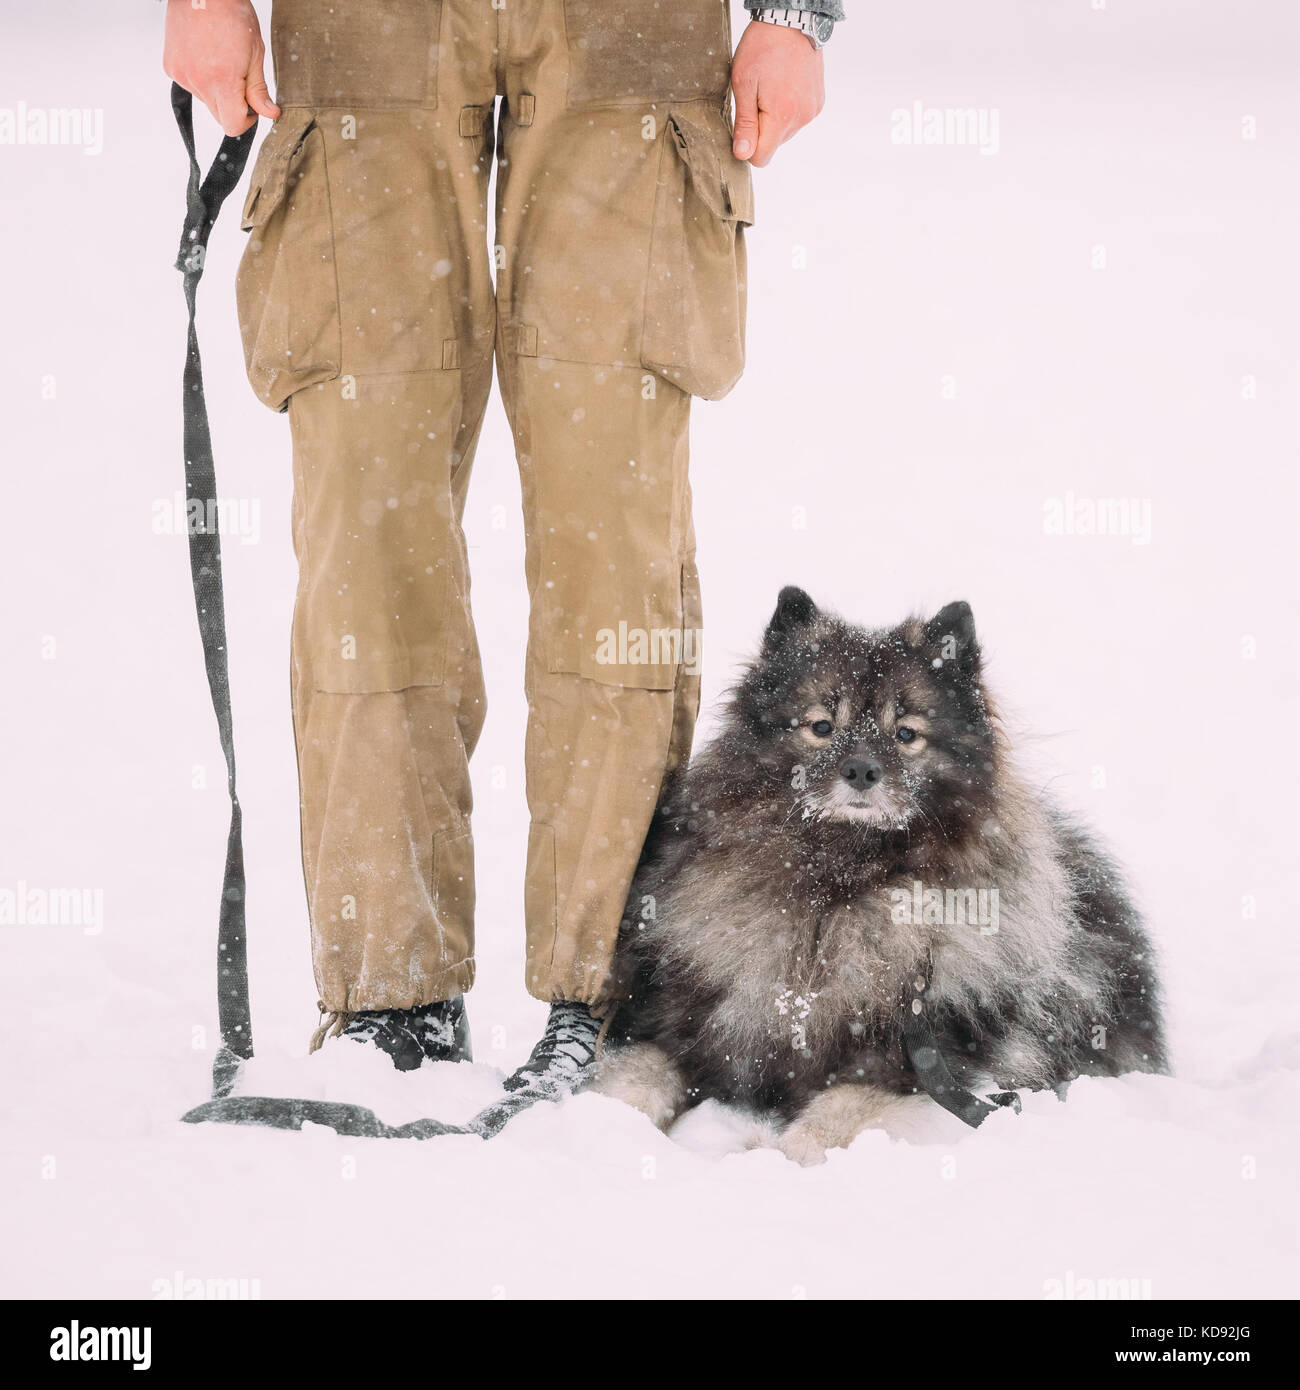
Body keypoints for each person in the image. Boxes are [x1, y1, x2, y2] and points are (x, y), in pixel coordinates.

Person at [163, 0, 840, 1103]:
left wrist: (795, 13)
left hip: (630, 31)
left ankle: (612, 995)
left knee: (613, 538)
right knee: (366, 528)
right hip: (361, 31)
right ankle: (392, 995)